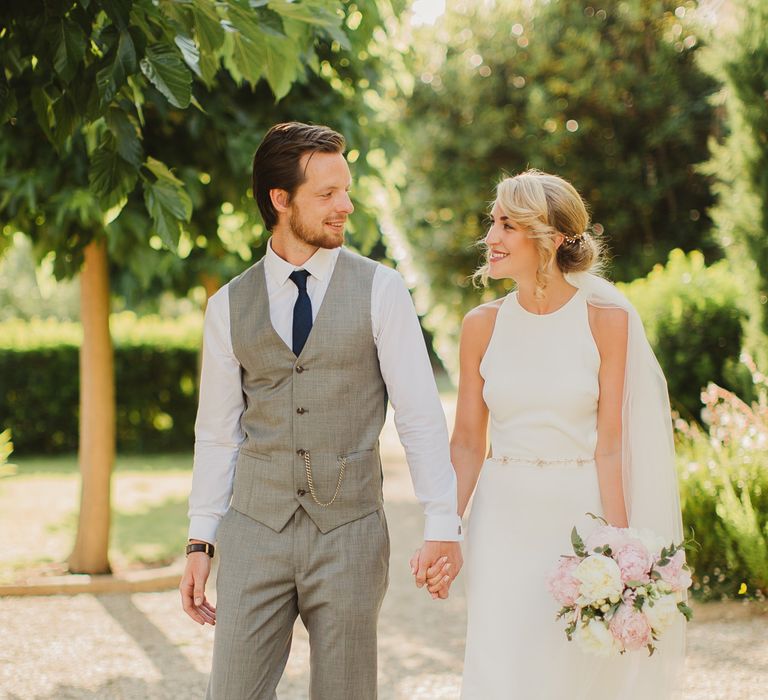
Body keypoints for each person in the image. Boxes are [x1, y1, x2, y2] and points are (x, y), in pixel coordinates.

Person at [179, 122, 463, 700]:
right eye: (327, 194)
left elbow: (418, 416)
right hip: (256, 529)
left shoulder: (382, 290)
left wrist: (442, 522)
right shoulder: (227, 306)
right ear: (279, 200)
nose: (346, 206)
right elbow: (216, 435)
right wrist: (200, 540)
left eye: (347, 189)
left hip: (350, 532)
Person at [450, 170, 685, 699]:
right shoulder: (481, 326)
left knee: (572, 673)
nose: (490, 237)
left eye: (507, 225)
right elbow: (466, 442)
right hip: (501, 519)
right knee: (501, 665)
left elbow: (610, 445)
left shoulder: (607, 322)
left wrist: (624, 553)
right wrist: (445, 527)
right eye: (493, 222)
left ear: (552, 238)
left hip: (578, 522)